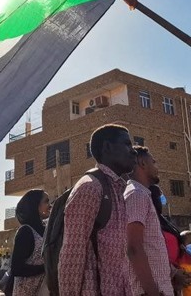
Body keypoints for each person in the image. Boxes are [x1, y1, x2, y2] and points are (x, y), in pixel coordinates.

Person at [58, 124, 137, 296]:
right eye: (127, 144)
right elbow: (72, 256)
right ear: (107, 147)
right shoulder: (90, 188)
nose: (133, 151)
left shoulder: (118, 189)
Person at [125, 146, 174, 296]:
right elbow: (133, 248)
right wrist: (152, 291)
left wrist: (172, 274)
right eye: (153, 162)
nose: (156, 167)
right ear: (143, 163)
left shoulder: (142, 194)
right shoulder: (136, 194)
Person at [149, 185, 191, 296]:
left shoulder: (161, 220)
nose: (162, 198)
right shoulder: (149, 225)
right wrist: (174, 273)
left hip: (178, 276)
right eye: (159, 195)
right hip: (164, 278)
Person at [11, 189, 51, 296]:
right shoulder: (26, 232)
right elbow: (16, 268)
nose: (50, 205)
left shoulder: (46, 229)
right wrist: (44, 268)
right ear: (36, 205)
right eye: (46, 201)